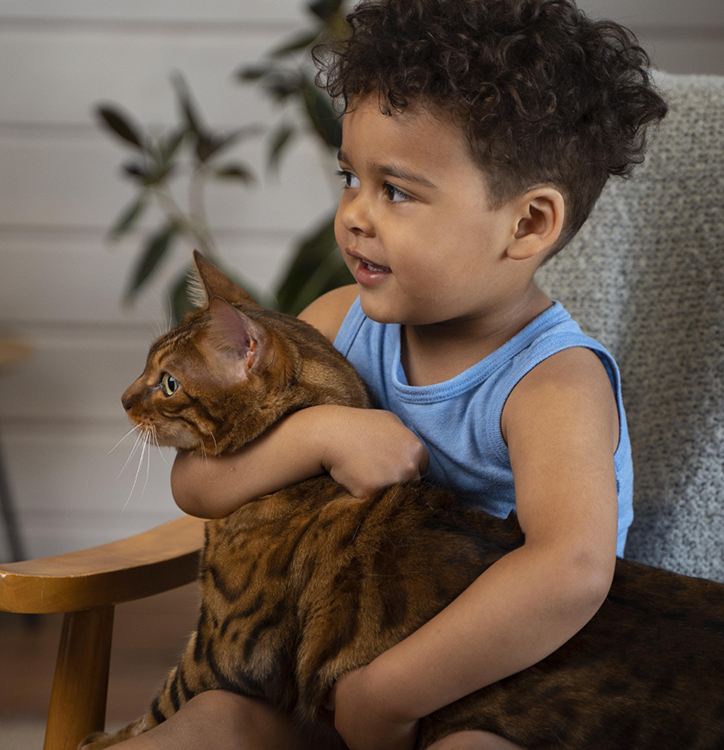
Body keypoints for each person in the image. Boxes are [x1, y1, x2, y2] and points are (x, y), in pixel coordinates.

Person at [130, 1, 666, 748]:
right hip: (328, 673)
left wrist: (386, 694)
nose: (353, 215)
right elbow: (198, 485)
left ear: (529, 224)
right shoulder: (337, 323)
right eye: (351, 176)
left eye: (398, 191)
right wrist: (320, 433)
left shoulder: (552, 382)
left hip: (493, 694)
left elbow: (570, 570)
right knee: (212, 723)